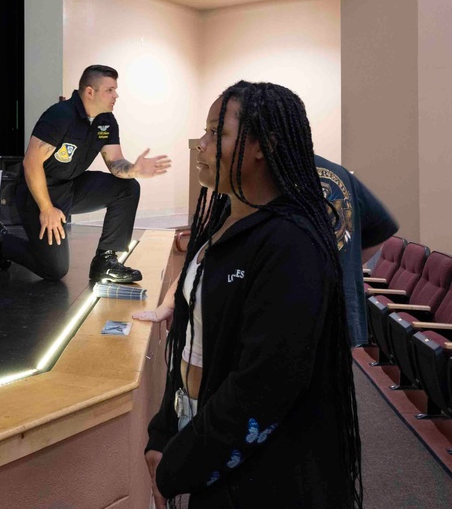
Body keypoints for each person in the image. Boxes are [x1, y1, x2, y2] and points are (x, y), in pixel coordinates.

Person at [138, 81, 362, 508]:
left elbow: (264, 385)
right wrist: (165, 428)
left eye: (214, 134)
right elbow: (189, 338)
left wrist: (179, 464)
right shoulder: (223, 221)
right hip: (209, 447)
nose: (199, 145)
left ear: (263, 146)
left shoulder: (291, 244)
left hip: (266, 478)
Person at [0, 65, 171, 283]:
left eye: (116, 89)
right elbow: (31, 162)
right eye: (110, 90)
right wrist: (46, 208)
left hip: (70, 186)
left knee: (128, 187)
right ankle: (2, 241)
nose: (116, 95)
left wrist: (134, 170)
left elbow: (115, 163)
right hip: (37, 193)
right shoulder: (61, 115)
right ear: (90, 92)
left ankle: (105, 262)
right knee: (54, 269)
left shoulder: (106, 121)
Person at [315, 155, 399, 347]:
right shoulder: (339, 173)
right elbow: (382, 229)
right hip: (342, 311)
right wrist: (345, 265)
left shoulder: (273, 176)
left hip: (303, 315)